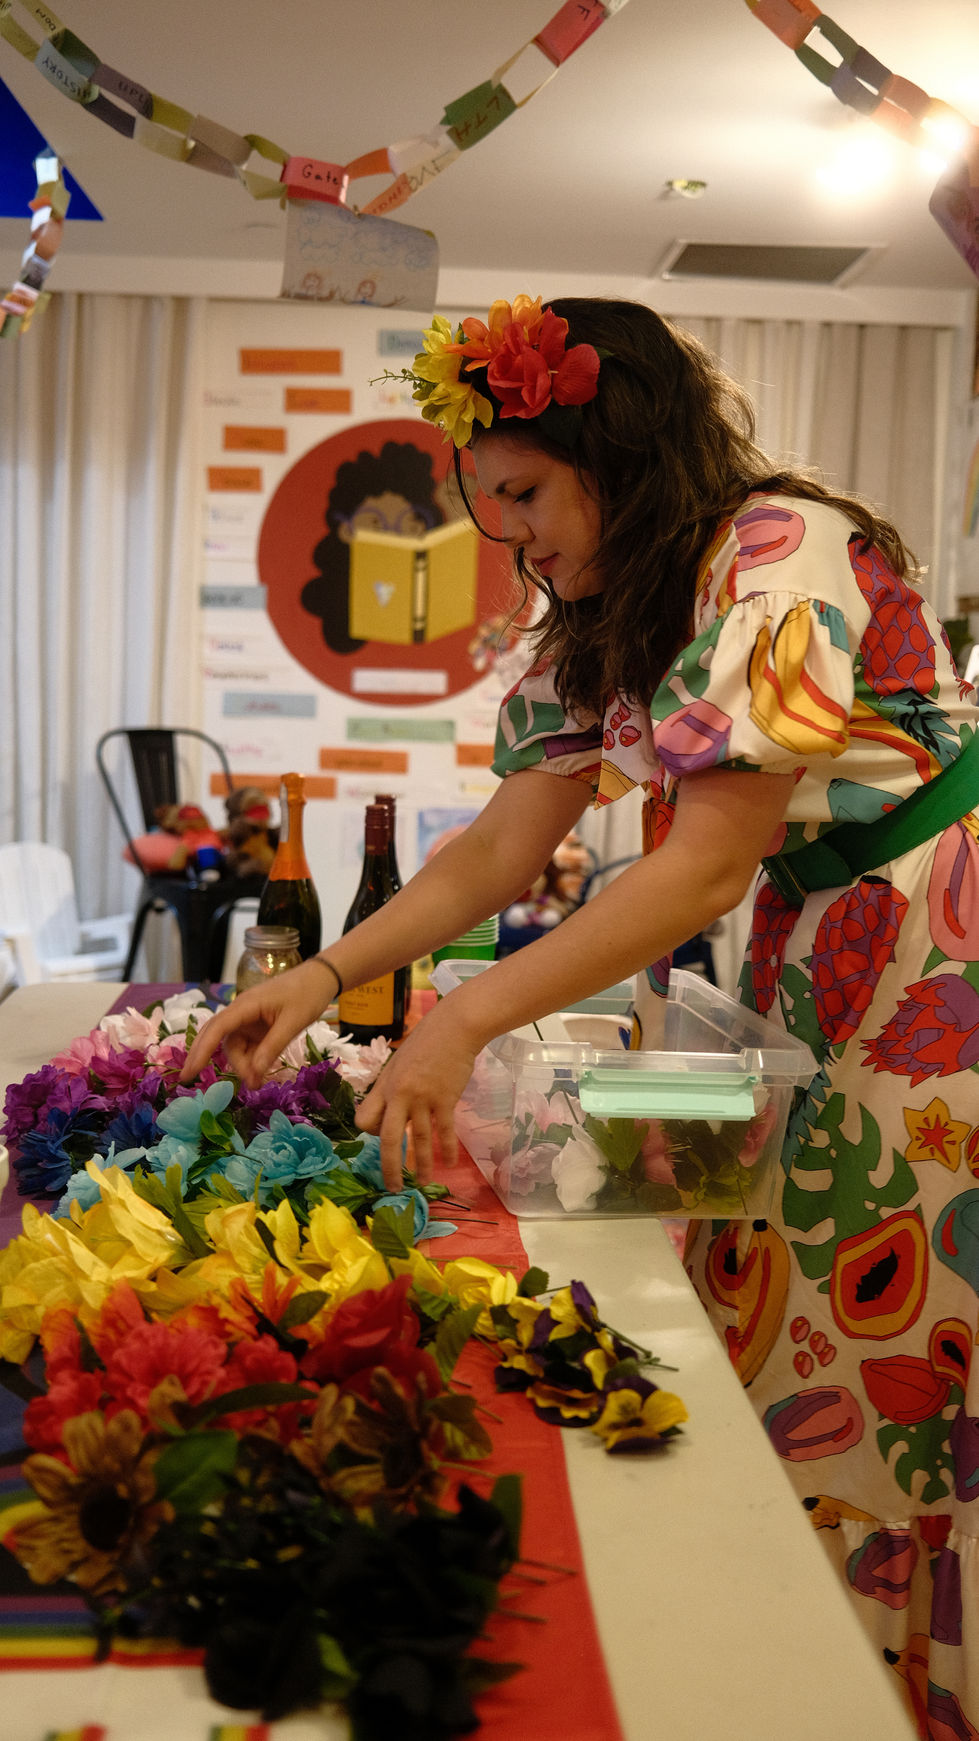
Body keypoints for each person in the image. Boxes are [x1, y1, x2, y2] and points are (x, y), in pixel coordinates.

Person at [184, 294, 979, 1733]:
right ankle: (821, 1656)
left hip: (943, 938)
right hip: (833, 929)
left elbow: (710, 856)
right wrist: (319, 978)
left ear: (622, 445)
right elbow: (495, 854)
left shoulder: (779, 554)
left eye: (530, 495)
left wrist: (465, 1020)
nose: (518, 542)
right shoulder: (613, 616)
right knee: (804, 1298)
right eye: (494, 513)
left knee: (891, 1329)